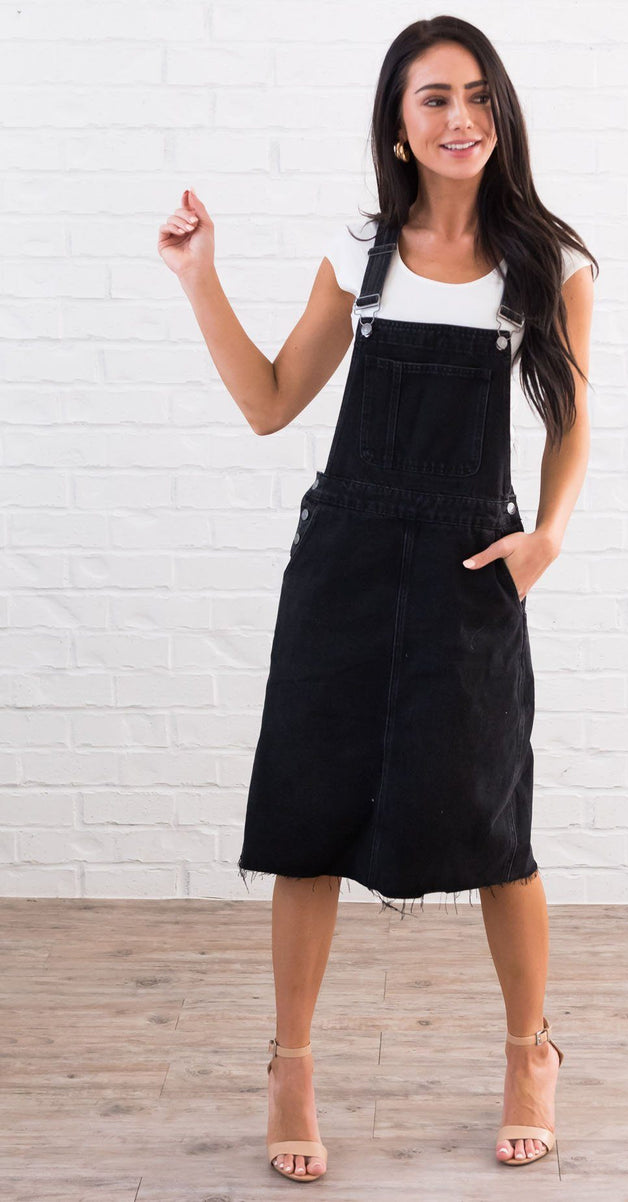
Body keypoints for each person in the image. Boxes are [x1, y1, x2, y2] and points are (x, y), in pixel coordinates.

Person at [158, 14, 595, 1187]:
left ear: (499, 115)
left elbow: (570, 418)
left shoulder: (547, 264)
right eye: (433, 99)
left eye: (477, 96)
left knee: (494, 826)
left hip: (468, 569)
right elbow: (269, 402)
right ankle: (290, 1068)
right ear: (398, 127)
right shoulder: (359, 253)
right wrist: (200, 278)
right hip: (343, 562)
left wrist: (546, 537)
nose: (460, 118)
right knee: (308, 819)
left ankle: (529, 1052)